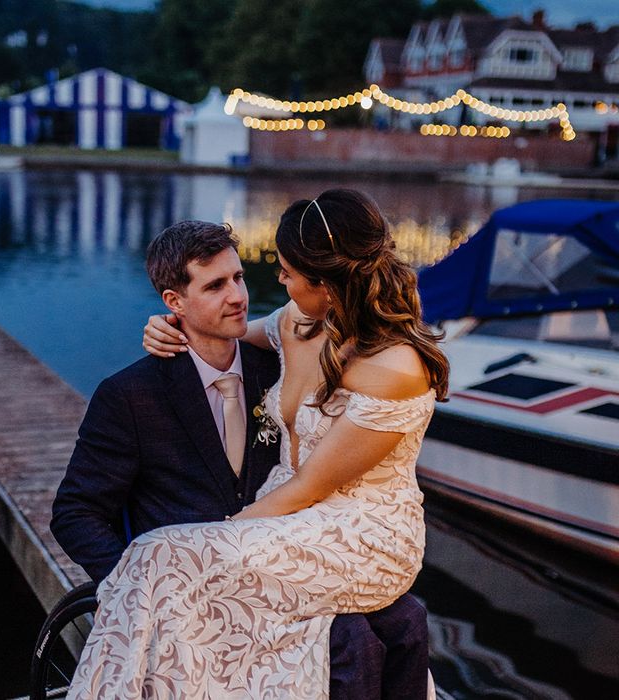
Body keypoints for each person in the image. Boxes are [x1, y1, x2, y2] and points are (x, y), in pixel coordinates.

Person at [54, 192, 444, 697]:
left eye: (241, 278)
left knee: (394, 624)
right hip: (209, 560)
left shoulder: (273, 364)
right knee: (344, 637)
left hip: (313, 532)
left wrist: (216, 543)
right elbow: (75, 512)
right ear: (174, 302)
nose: (242, 295)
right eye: (216, 285)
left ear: (324, 282)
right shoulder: (131, 394)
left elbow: (309, 484)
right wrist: (130, 586)